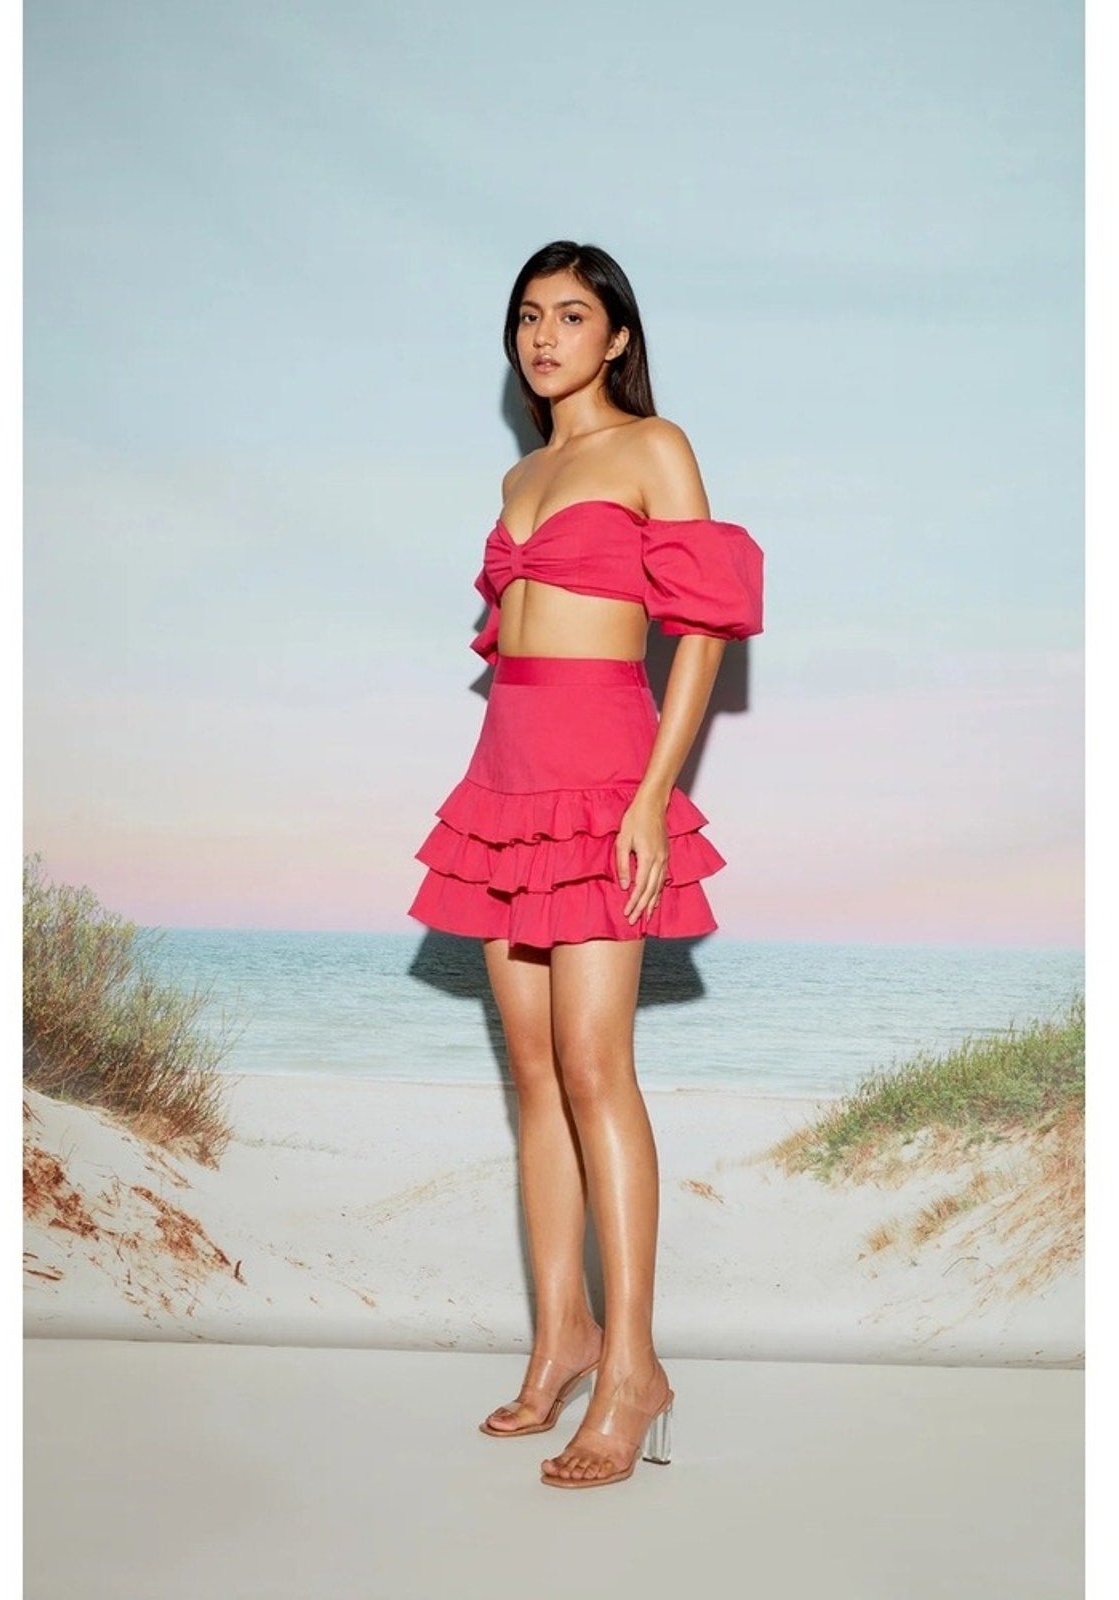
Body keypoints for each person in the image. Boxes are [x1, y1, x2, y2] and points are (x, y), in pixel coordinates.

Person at [407, 240, 764, 1489]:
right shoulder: (521, 473)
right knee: (535, 1076)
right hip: (505, 775)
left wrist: (655, 797)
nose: (543, 336)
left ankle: (634, 1369)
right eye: (527, 315)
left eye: (570, 315)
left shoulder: (654, 447)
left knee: (596, 1066)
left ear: (616, 336)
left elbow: (704, 631)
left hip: (607, 772)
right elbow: (512, 646)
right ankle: (562, 1334)